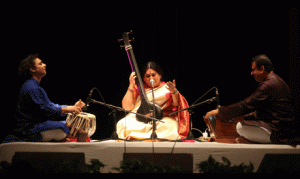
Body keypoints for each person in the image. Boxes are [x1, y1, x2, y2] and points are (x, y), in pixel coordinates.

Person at [204, 54, 299, 145]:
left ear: (262, 69)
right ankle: (253, 140)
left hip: (280, 132)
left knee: (240, 127)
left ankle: (255, 142)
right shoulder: (274, 80)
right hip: (283, 130)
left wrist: (218, 112)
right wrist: (246, 115)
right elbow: (264, 111)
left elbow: (246, 105)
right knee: (243, 124)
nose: (251, 73)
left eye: (253, 70)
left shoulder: (269, 84)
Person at [2, 54, 85, 143]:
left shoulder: (34, 86)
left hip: (34, 126)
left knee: (64, 125)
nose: (44, 65)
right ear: (32, 69)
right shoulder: (32, 87)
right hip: (28, 129)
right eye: (40, 64)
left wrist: (71, 107)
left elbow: (50, 106)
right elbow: (46, 110)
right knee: (63, 128)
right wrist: (69, 109)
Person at [117, 62, 190, 140]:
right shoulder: (139, 89)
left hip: (162, 117)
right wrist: (131, 86)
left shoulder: (167, 88)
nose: (151, 78)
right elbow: (126, 107)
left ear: (160, 75)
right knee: (122, 123)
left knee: (169, 126)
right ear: (144, 78)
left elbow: (176, 104)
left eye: (153, 75)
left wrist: (174, 92)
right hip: (140, 117)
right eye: (147, 76)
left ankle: (138, 137)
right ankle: (143, 138)